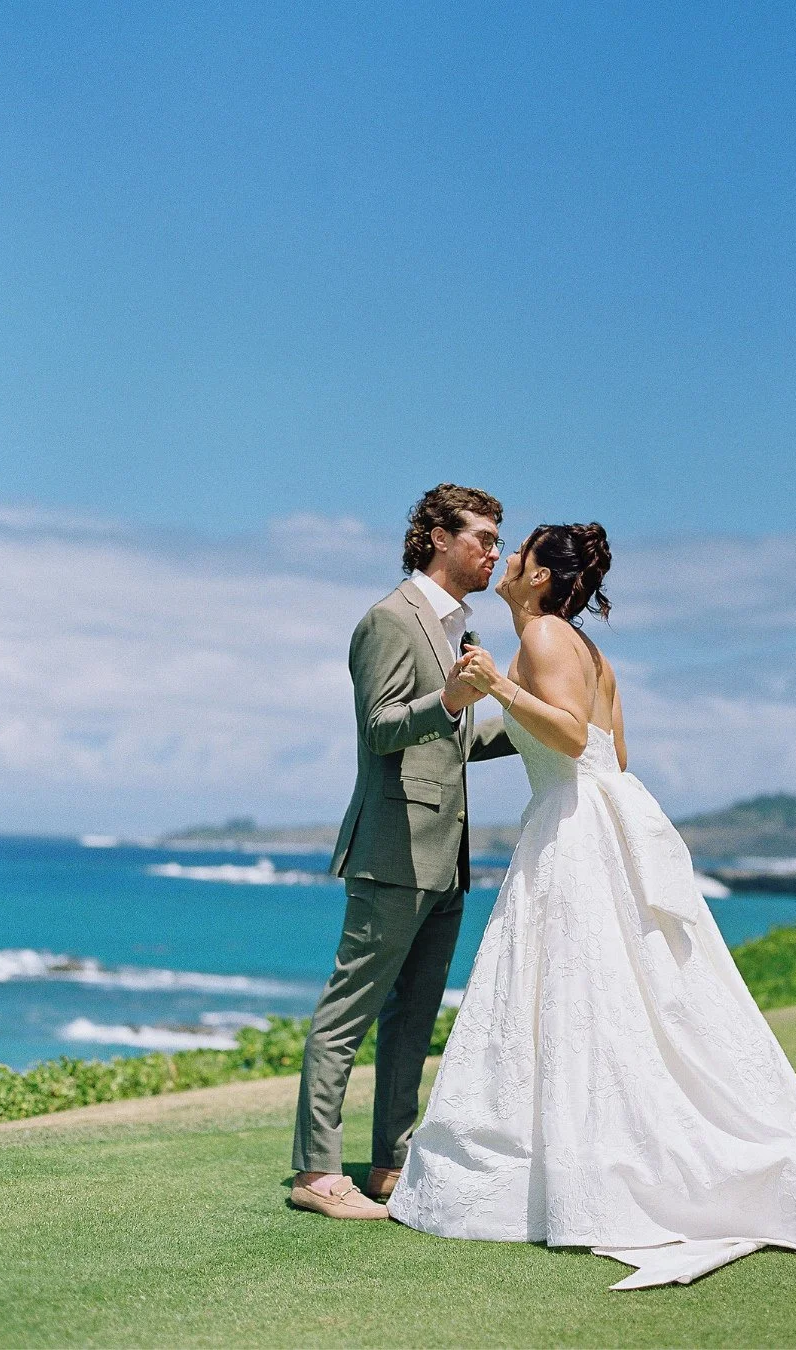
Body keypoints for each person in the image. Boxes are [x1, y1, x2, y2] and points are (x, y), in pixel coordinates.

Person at [387, 521, 796, 1289]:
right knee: (621, 996)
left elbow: (571, 739)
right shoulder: (585, 649)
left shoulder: (543, 636)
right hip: (597, 818)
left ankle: (606, 1169)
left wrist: (498, 688)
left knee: (583, 993)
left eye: (520, 553)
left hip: (575, 828)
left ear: (540, 578)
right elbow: (616, 752)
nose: (506, 559)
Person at [290, 484, 518, 1220]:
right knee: (347, 1014)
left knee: (414, 1018)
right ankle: (316, 1173)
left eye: (498, 540)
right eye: (483, 537)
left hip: (447, 858)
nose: (496, 552)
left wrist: (535, 720)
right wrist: (450, 699)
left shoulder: (458, 632)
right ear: (437, 537)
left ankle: (392, 1161)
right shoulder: (390, 619)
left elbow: (457, 740)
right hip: (392, 853)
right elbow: (382, 727)